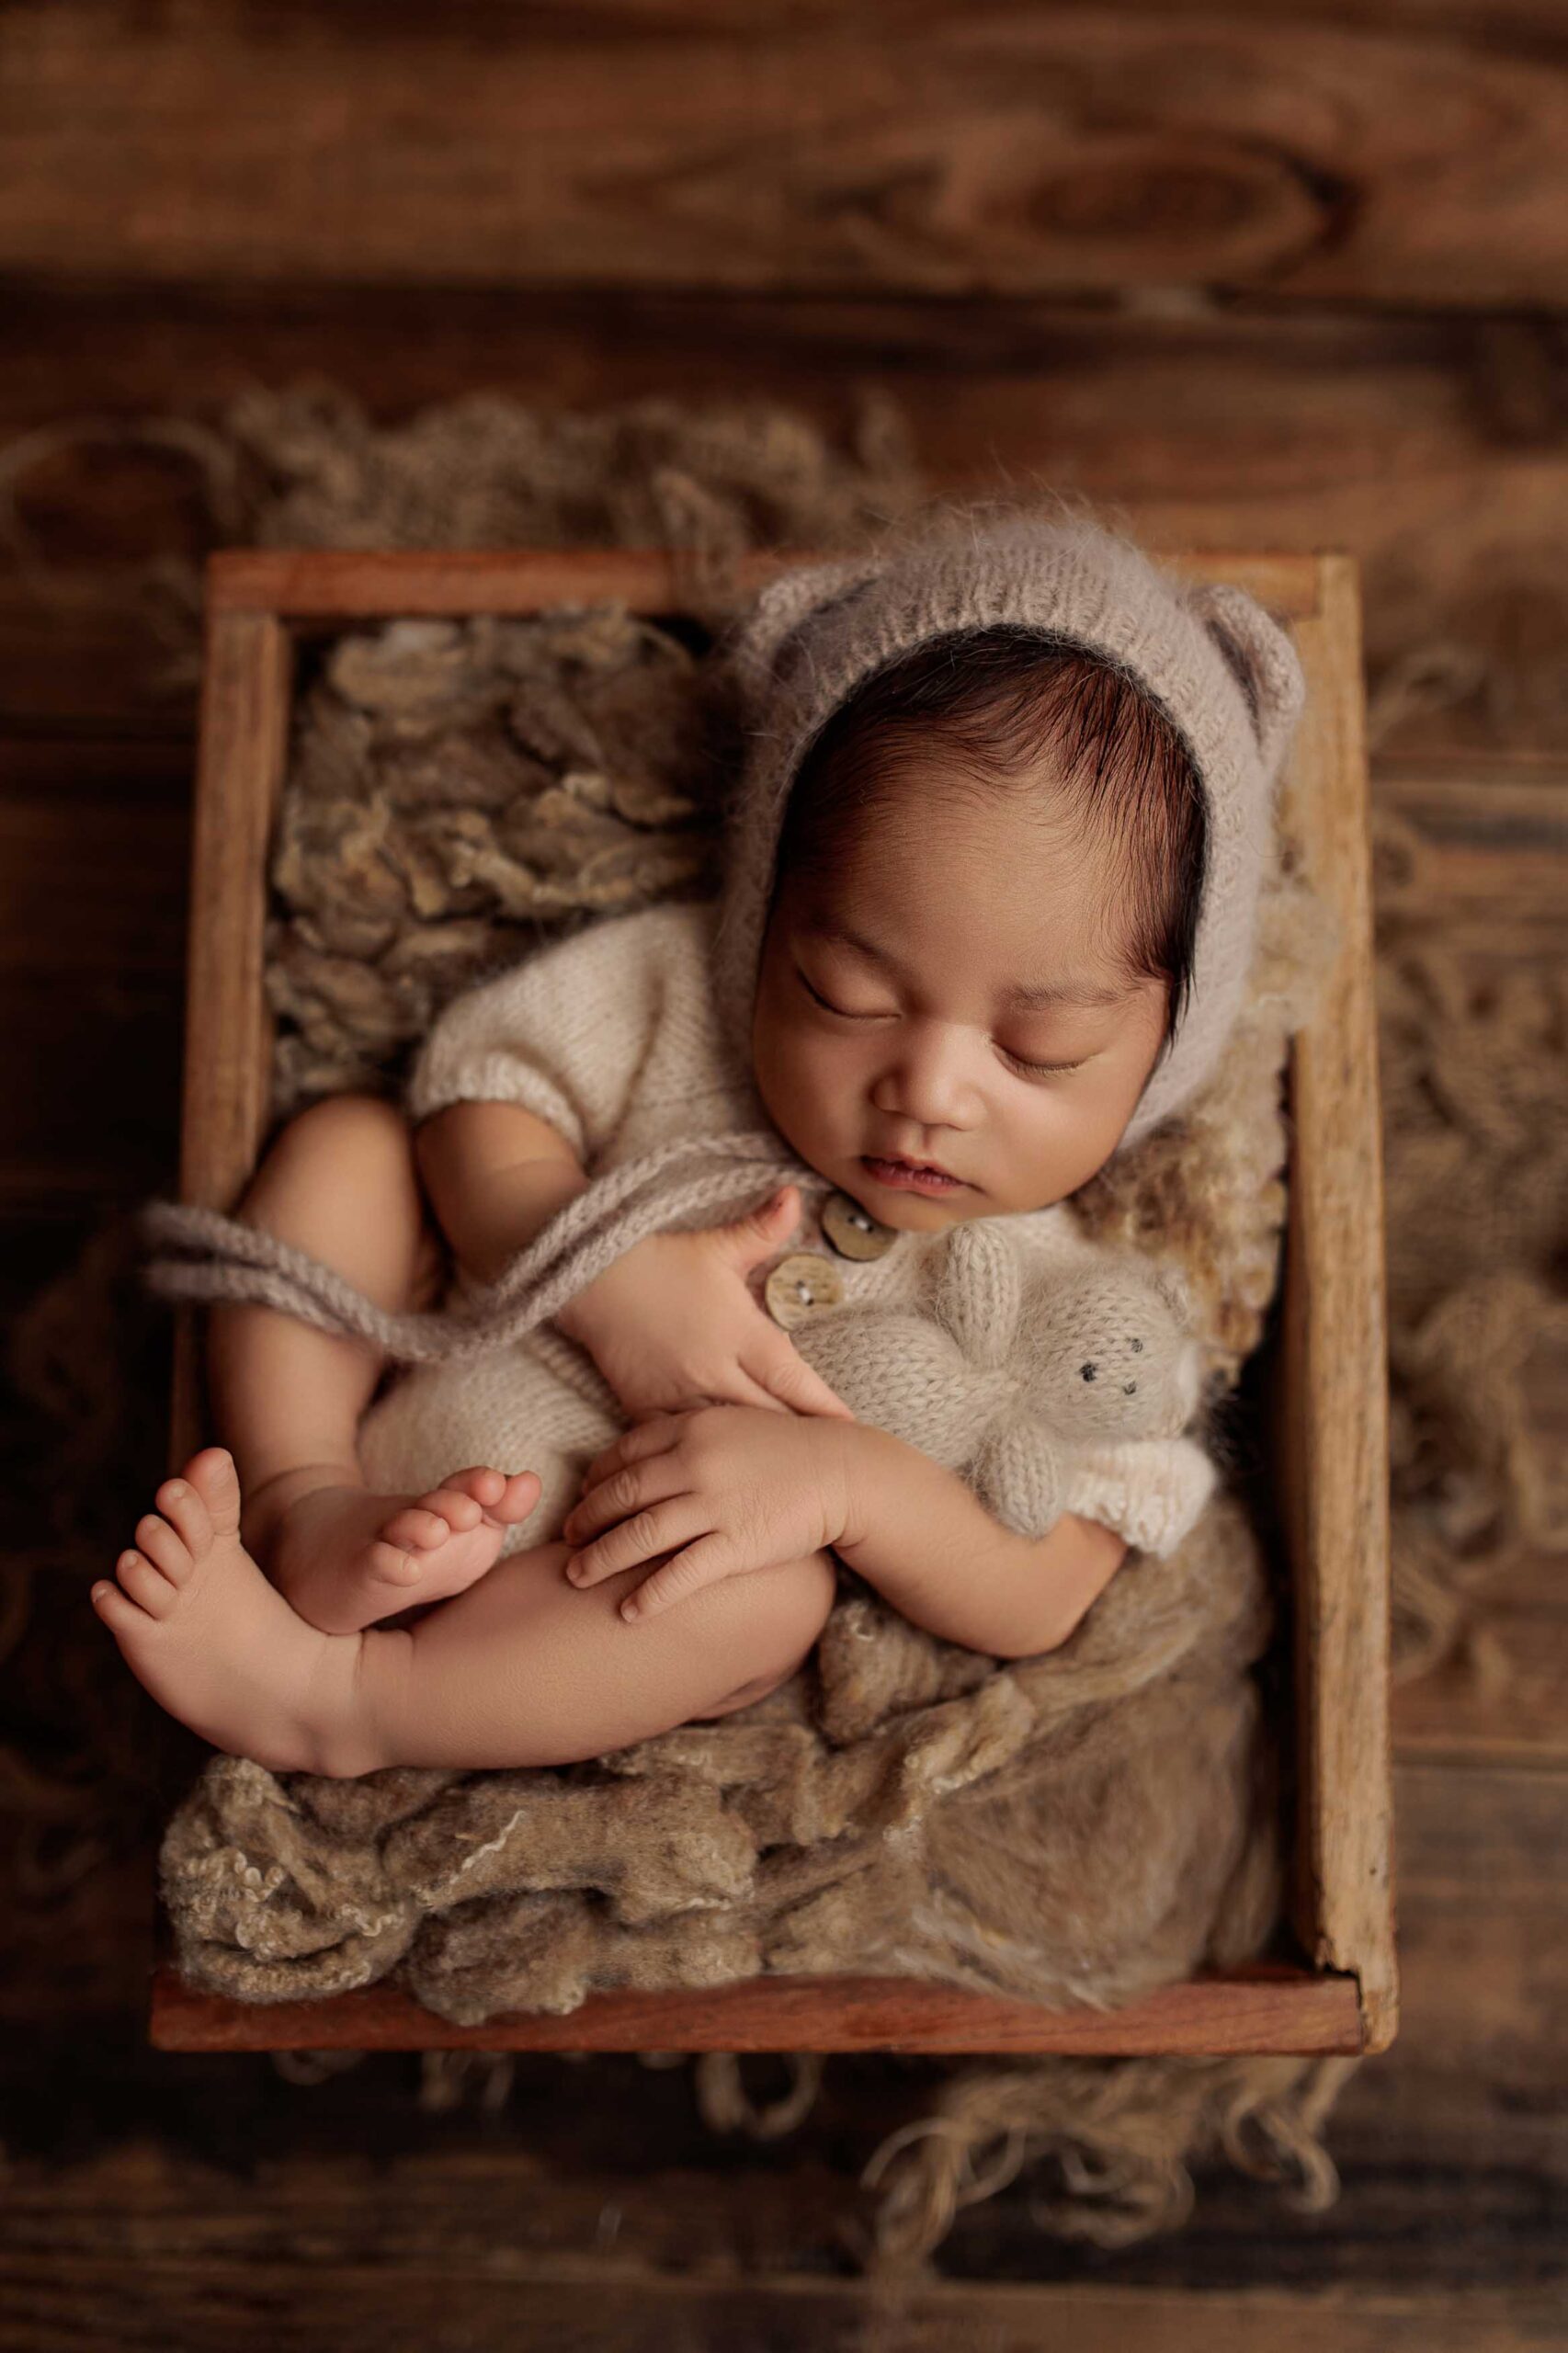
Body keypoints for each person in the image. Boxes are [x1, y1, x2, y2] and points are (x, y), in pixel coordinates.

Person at [92, 503, 1305, 1778]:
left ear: (1163, 1047)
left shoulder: (1065, 1306)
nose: (929, 1090)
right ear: (766, 917)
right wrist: (597, 1275)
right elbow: (478, 1099)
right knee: (351, 1150)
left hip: (584, 1596)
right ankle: (298, 1503)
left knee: (762, 1603)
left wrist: (845, 1489)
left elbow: (1047, 1585)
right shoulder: (682, 1006)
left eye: (1038, 1053)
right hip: (402, 1406)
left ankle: (344, 1699)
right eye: (847, 991)